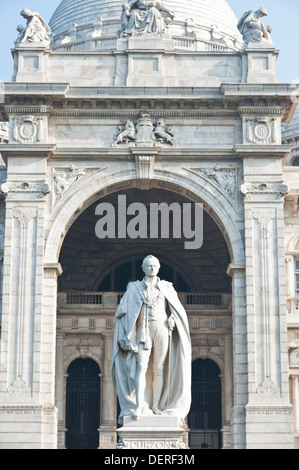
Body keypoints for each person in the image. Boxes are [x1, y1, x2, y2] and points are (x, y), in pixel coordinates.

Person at [112, 255, 191, 423]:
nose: (152, 268)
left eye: (154, 265)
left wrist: (173, 319)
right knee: (141, 366)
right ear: (143, 268)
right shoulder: (134, 288)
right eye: (148, 266)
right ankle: (140, 405)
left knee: (159, 368)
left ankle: (156, 406)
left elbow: (177, 311)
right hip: (142, 332)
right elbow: (122, 311)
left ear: (159, 267)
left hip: (162, 329)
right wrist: (125, 334)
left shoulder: (167, 287)